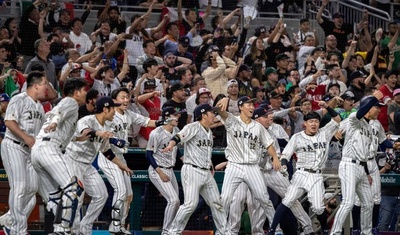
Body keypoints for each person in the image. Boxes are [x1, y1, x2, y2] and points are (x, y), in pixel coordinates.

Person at [266, 102, 341, 235]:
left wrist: (327, 107)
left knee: (318, 208)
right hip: (301, 174)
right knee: (288, 200)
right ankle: (272, 230)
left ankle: (324, 230)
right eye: (311, 121)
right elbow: (286, 154)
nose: (314, 124)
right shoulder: (297, 137)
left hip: (317, 175)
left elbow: (337, 119)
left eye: (316, 121)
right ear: (304, 123)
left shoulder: (324, 133)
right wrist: (283, 164)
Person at [63, 96, 132, 235]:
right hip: (72, 161)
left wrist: (122, 165)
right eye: (113, 108)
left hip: (87, 165)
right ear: (105, 109)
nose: (115, 111)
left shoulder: (107, 126)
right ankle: (73, 231)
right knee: (77, 198)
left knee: (101, 195)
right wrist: (99, 133)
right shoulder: (87, 120)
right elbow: (85, 133)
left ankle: (85, 227)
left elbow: (106, 151)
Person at [215, 96, 281, 234]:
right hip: (234, 165)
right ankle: (222, 231)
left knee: (264, 198)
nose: (252, 107)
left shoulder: (258, 127)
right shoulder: (232, 121)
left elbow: (268, 143)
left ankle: (276, 229)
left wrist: (275, 156)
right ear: (240, 107)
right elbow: (221, 112)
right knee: (225, 199)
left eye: (252, 105)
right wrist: (224, 101)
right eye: (248, 105)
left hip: (252, 166)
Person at [31, 78, 88, 234]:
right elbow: (58, 113)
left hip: (38, 150)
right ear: (76, 92)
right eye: (84, 91)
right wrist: (55, 122)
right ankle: (62, 229)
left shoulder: (68, 106)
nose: (85, 94)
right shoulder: (70, 102)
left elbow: (62, 128)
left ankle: (56, 230)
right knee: (73, 187)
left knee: (55, 198)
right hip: (49, 149)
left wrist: (79, 137)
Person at [98, 87, 158, 234]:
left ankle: (120, 226)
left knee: (129, 195)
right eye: (122, 97)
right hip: (107, 155)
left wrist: (164, 122)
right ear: (114, 100)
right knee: (121, 191)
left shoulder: (129, 114)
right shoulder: (109, 115)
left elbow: (148, 122)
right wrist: (114, 140)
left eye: (127, 97)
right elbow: (100, 133)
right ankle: (115, 227)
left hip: (121, 157)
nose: (126, 100)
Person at [163, 104, 228, 235]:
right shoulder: (193, 127)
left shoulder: (209, 131)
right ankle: (173, 232)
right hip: (192, 169)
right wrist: (171, 145)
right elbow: (178, 137)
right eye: (211, 113)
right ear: (204, 115)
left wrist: (209, 164)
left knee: (217, 203)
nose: (214, 115)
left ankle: (224, 232)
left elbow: (205, 151)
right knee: (190, 204)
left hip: (205, 171)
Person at [1, 71, 48, 235]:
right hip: (14, 146)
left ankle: (9, 221)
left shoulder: (40, 106)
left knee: (32, 189)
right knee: (19, 188)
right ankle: (17, 230)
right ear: (36, 85)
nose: (46, 88)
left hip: (30, 151)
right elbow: (9, 121)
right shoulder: (18, 99)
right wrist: (25, 137)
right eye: (44, 84)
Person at [331, 91, 384, 235]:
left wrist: (366, 173)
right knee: (348, 202)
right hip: (349, 165)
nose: (378, 110)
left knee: (368, 203)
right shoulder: (354, 120)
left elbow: (364, 154)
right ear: (368, 107)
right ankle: (334, 233)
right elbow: (360, 113)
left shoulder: (368, 128)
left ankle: (366, 233)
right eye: (376, 107)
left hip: (362, 167)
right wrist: (373, 98)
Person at [145, 107, 181, 235]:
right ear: (167, 117)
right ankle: (166, 232)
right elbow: (148, 154)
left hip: (170, 170)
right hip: (158, 170)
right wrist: (160, 172)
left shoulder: (176, 130)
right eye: (175, 115)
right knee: (173, 200)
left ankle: (173, 230)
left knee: (177, 203)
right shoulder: (156, 133)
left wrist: (183, 158)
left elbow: (177, 149)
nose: (178, 117)